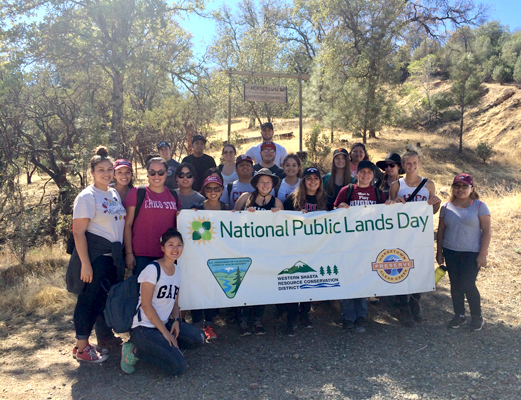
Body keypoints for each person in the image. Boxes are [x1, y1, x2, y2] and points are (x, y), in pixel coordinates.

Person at [66, 146, 126, 363]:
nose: (107, 174)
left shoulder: (113, 193)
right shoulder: (87, 197)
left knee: (100, 301)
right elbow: (78, 232)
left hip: (112, 257)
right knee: (87, 301)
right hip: (95, 257)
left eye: (110, 169)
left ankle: (89, 344)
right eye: (101, 170)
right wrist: (85, 264)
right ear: (92, 171)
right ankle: (82, 348)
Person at [120, 228, 205, 375]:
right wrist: (166, 333)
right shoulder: (152, 269)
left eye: (179, 244)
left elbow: (174, 302)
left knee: (199, 338)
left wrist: (177, 320)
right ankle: (135, 350)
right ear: (162, 248)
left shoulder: (177, 270)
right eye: (170, 244)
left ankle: (168, 349)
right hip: (144, 328)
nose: (175, 248)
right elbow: (146, 306)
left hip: (164, 322)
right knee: (179, 367)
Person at [389, 149, 441, 326]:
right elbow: (388, 212)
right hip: (402, 236)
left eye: (414, 163)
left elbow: (432, 211)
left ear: (419, 164)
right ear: (403, 165)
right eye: (408, 163)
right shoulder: (396, 185)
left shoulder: (429, 184)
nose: (411, 166)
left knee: (419, 269)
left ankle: (415, 303)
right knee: (403, 267)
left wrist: (436, 204)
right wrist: (395, 203)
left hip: (421, 235)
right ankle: (402, 306)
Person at [334, 161, 388, 333]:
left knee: (363, 279)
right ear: (356, 173)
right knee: (348, 278)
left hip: (369, 245)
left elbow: (386, 217)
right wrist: (340, 208)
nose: (365, 175)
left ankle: (361, 316)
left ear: (373, 175)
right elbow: (334, 213)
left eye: (369, 173)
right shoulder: (347, 190)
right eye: (362, 172)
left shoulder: (379, 194)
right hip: (348, 244)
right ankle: (348, 317)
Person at [436, 174, 491, 331]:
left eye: (464, 186)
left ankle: (477, 316)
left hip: (471, 252)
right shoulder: (446, 207)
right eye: (457, 186)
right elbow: (441, 231)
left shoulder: (479, 206)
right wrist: (439, 252)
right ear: (452, 188)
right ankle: (459, 315)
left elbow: (487, 231)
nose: (460, 189)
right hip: (451, 251)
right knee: (455, 285)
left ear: (472, 188)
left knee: (468, 283)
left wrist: (482, 254)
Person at [234, 168, 283, 335]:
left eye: (268, 182)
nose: (265, 185)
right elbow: (231, 219)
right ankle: (242, 320)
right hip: (245, 249)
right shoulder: (245, 198)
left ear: (272, 185)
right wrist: (244, 215)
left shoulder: (277, 203)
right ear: (256, 183)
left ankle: (258, 320)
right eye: (262, 181)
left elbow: (284, 230)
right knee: (244, 284)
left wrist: (277, 216)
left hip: (266, 252)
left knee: (261, 285)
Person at [281, 167, 326, 335]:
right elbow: (282, 221)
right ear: (303, 180)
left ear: (320, 182)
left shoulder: (325, 199)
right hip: (295, 247)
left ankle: (305, 314)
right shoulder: (293, 198)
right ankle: (291, 317)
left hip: (316, 248)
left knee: (310, 281)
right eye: (309, 178)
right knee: (294, 282)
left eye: (316, 178)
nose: (312, 181)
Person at [124, 157, 181, 276]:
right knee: (142, 293)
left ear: (166, 173)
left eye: (160, 172)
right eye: (152, 172)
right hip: (141, 256)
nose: (156, 176)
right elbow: (127, 225)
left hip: (167, 255)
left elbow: (180, 224)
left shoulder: (174, 195)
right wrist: (129, 253)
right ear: (147, 173)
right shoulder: (137, 193)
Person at [188, 175, 230, 340]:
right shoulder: (196, 209)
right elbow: (195, 236)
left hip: (219, 257)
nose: (213, 192)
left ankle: (209, 323)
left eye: (217, 188)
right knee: (198, 288)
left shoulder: (226, 209)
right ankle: (197, 323)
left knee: (213, 288)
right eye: (209, 189)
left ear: (221, 190)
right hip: (199, 257)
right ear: (204, 190)